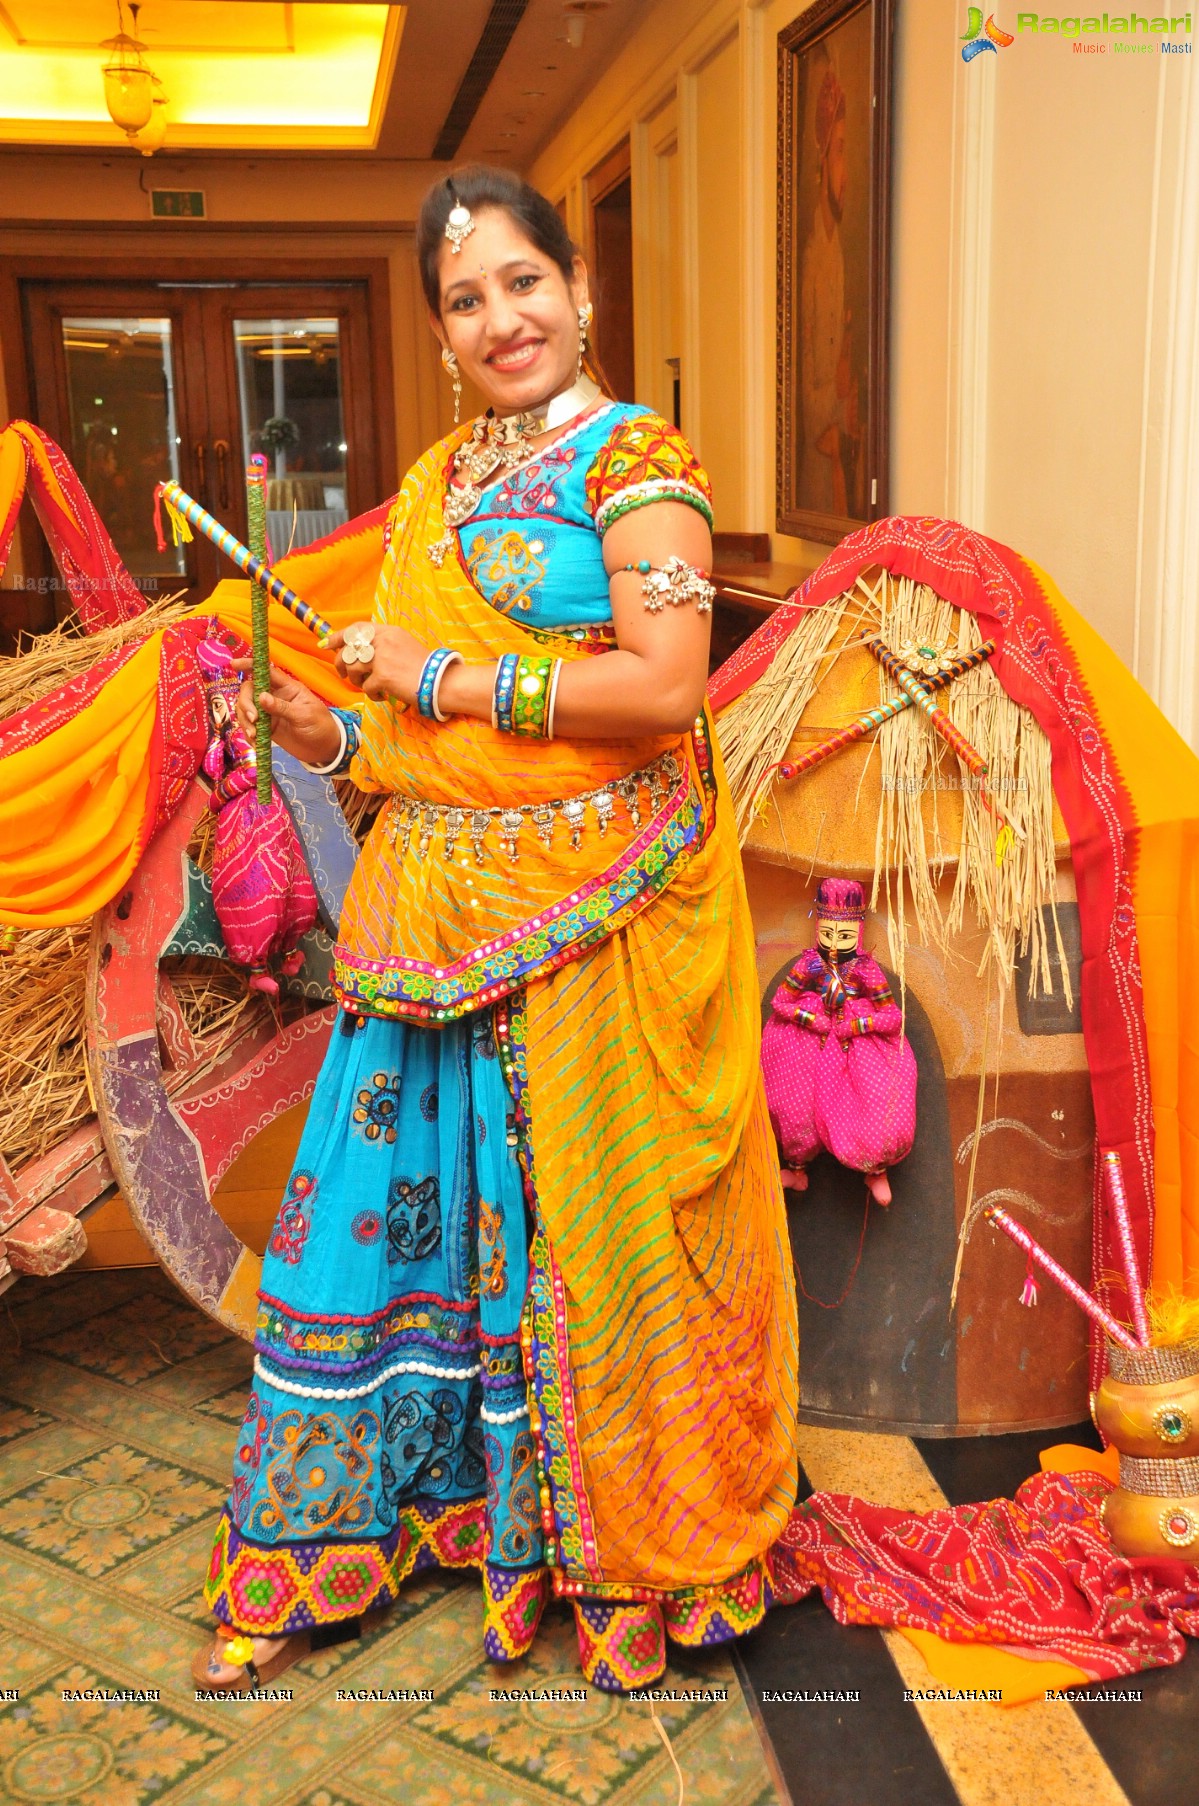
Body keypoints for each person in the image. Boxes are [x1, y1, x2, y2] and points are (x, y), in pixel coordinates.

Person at [194, 165, 799, 1696]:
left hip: (596, 923)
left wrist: (446, 680)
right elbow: (400, 736)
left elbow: (665, 687)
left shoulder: (638, 465)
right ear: (443, 329)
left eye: (523, 282)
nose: (499, 318)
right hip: (431, 911)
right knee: (382, 1211)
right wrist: (334, 738)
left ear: (580, 293)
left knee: (585, 1235)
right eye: (465, 299)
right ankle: (343, 1528)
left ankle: (607, 1548)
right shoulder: (438, 486)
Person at [760, 878, 916, 1207]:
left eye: (843, 936)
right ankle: (797, 1170)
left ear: (857, 933)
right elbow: (780, 1003)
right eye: (827, 934)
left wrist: (856, 1026)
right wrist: (811, 1020)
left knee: (872, 1101)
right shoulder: (808, 966)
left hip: (857, 1048)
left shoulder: (867, 972)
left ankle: (876, 1170)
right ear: (817, 927)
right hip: (806, 1045)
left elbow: (892, 1017)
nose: (834, 943)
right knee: (794, 1105)